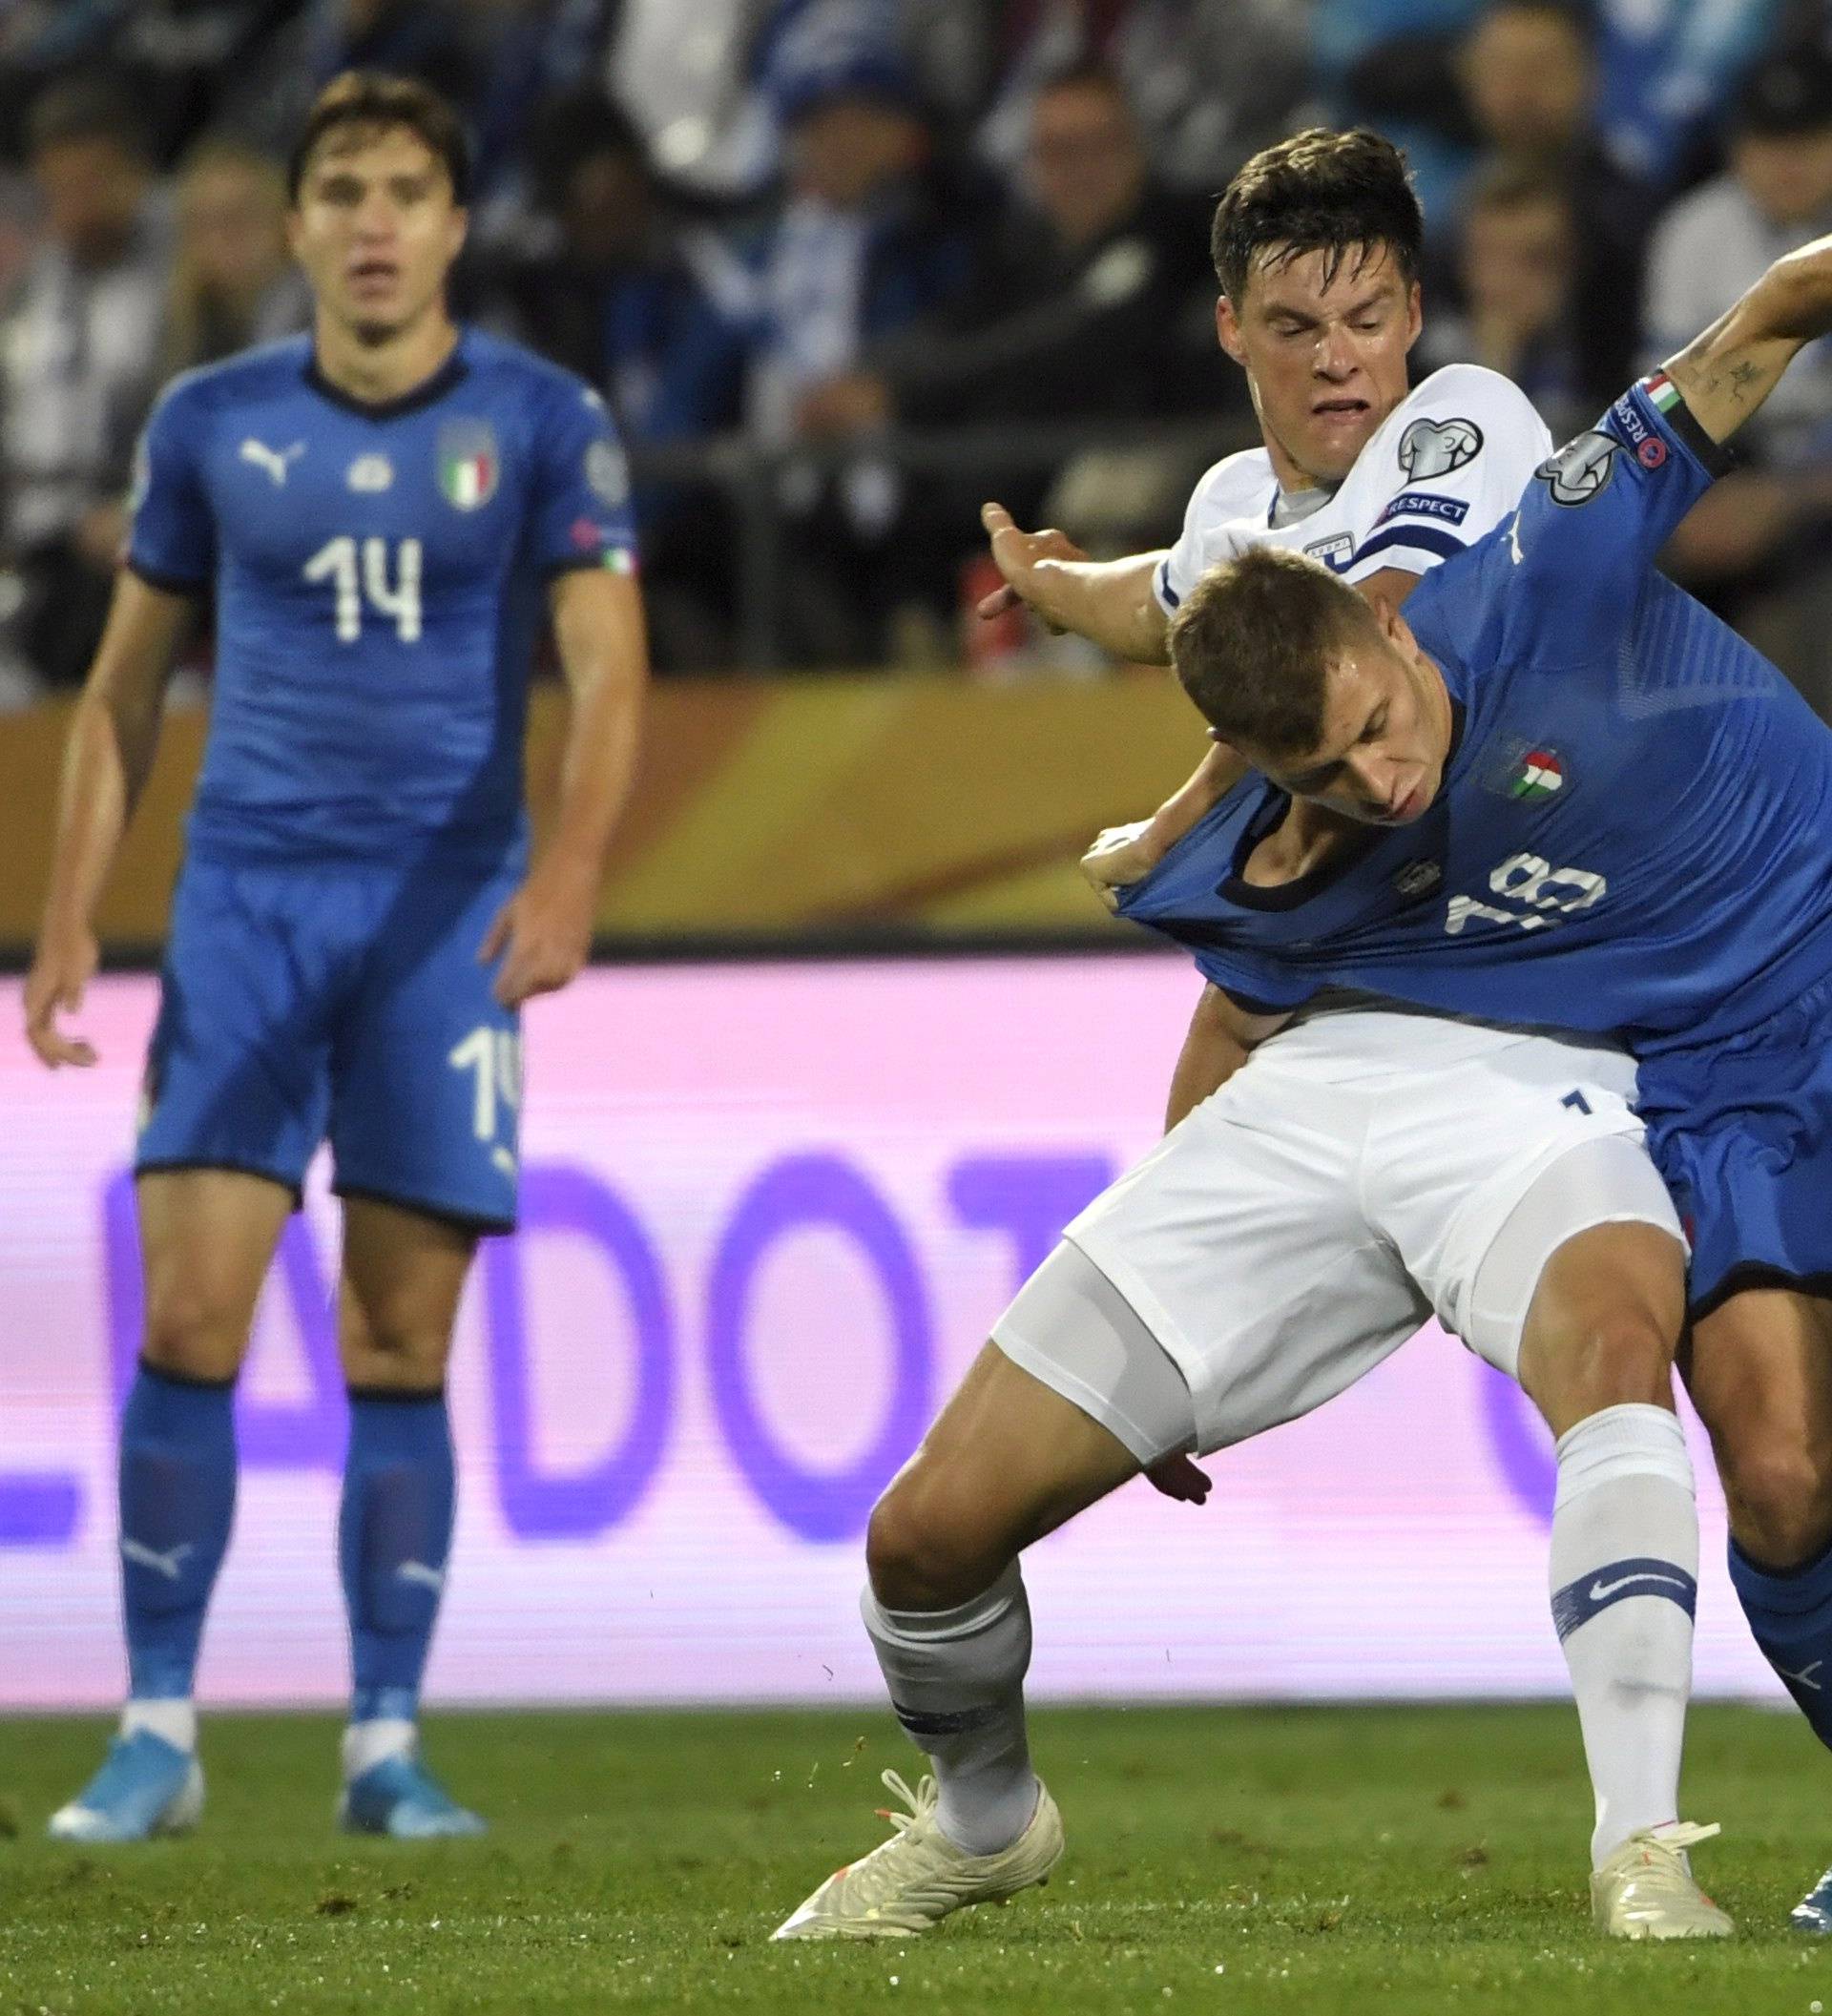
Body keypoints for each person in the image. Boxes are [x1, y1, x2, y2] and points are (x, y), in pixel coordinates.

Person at [774, 129, 1729, 1946]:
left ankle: (1642, 1847)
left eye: (1369, 312)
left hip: (1523, 1037)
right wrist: (1069, 590)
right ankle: (986, 1817)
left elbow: (1332, 614)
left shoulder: (1474, 429)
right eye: (1299, 323)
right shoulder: (1234, 509)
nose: (1342, 355)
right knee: (925, 1533)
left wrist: (1171, 801)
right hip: (1306, 1073)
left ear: (1417, 315)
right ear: (1233, 331)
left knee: (1613, 1341)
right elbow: (1207, 573)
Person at [1111, 221, 1832, 1934]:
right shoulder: (1310, 855)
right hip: (1720, 1081)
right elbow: (1229, 1035)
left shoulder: (1551, 552)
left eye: (1379, 714)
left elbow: (1777, 307)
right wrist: (1170, 1322)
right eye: (1332, 768)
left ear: (1385, 619)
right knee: (1790, 1478)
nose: (1384, 769)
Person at [22, 72, 649, 1843]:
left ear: (453, 225)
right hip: (246, 898)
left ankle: (384, 1740)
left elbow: (608, 670)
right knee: (196, 1309)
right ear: (294, 225)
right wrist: (73, 906)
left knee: (397, 1332)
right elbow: (127, 686)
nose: (374, 221)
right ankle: (157, 1725)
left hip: (444, 912)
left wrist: (577, 871)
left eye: (405, 191)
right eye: (343, 190)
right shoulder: (211, 422)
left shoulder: (541, 421)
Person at [0, 76, 168, 690]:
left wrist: (136, 510)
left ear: (137, 175)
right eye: (59, 187)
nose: (77, 202)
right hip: (37, 546)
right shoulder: (32, 293)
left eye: (93, 181)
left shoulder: (178, 285)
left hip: (137, 541)